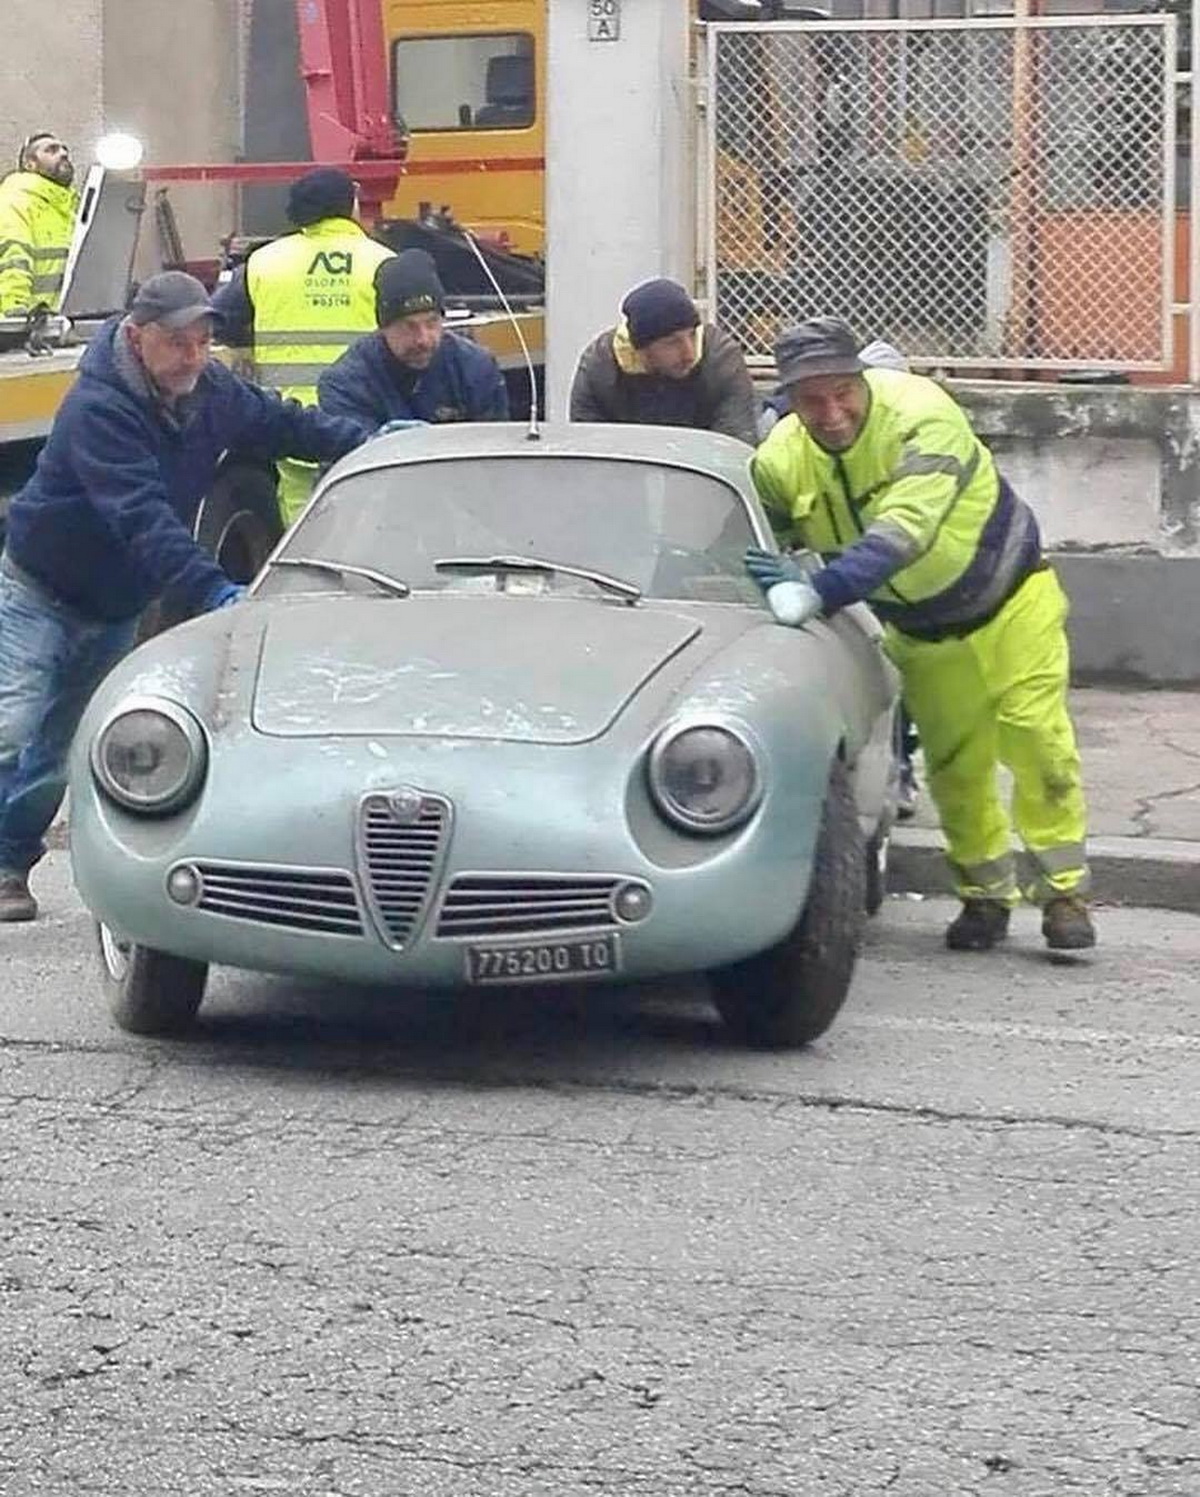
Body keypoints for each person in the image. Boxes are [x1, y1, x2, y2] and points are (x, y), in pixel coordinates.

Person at [0, 271, 372, 923]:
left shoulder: (211, 392)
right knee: (10, 727)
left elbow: (285, 424)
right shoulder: (100, 408)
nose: (193, 356)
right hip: (41, 589)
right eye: (178, 342)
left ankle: (8, 863)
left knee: (58, 752)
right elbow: (141, 517)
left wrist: (367, 442)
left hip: (114, 603)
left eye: (202, 341)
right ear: (138, 337)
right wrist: (212, 590)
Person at [746, 315, 1094, 954]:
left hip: (1012, 601)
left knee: (1038, 740)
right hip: (919, 630)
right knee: (954, 768)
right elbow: (758, 531)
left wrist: (819, 590)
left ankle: (1063, 893)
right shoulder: (781, 460)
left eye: (841, 392)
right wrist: (758, 568)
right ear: (788, 399)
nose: (830, 413)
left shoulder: (922, 413)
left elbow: (905, 530)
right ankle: (983, 898)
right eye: (810, 399)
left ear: (862, 379)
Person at [210, 166, 394, 522]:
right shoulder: (382, 262)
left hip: (289, 419)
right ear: (349, 206)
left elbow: (217, 319)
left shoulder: (263, 262)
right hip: (361, 421)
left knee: (300, 515)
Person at [317, 249, 509, 426]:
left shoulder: (475, 368)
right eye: (409, 327)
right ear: (383, 327)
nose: (423, 339)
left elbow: (495, 451)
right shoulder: (347, 385)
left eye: (432, 322)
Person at [569, 277, 759, 446]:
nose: (689, 353)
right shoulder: (600, 368)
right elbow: (590, 451)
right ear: (641, 350)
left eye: (692, 335)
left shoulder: (720, 359)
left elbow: (735, 445)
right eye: (672, 342)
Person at [0, 132, 77, 316]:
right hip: (27, 325)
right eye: (51, 150)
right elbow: (13, 257)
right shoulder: (15, 199)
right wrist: (15, 310)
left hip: (59, 322)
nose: (63, 154)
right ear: (30, 164)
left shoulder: (71, 206)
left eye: (64, 149)